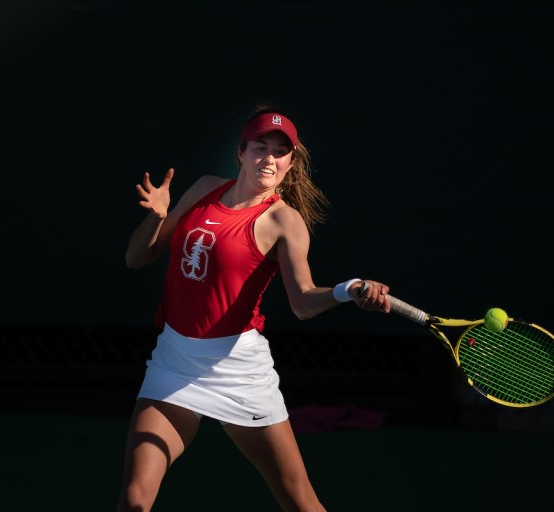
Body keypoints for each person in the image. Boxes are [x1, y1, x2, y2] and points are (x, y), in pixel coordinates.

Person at [118, 105, 392, 512]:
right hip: (174, 362)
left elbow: (301, 302)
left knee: (300, 501)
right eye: (260, 147)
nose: (269, 158)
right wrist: (158, 218)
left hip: (239, 371)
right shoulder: (204, 188)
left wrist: (344, 291)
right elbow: (137, 258)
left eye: (280, 152)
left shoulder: (285, 221)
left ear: (290, 163)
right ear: (241, 153)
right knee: (135, 500)